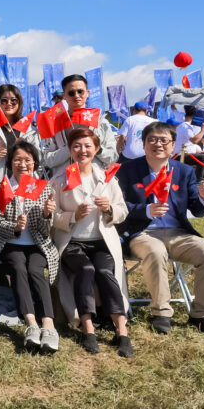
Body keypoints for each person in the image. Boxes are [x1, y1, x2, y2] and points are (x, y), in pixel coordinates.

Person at [117, 122, 204, 338]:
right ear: (143, 143)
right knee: (156, 251)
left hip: (179, 232)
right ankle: (161, 313)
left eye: (163, 140)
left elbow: (197, 210)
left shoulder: (184, 171)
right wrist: (146, 210)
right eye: (152, 139)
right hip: (143, 232)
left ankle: (201, 314)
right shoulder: (128, 170)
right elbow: (119, 208)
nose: (157, 144)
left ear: (172, 144)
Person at [50, 128, 132, 357]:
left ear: (96, 149)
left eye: (87, 146)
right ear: (70, 150)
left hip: (101, 241)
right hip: (72, 242)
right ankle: (88, 327)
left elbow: (122, 211)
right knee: (85, 270)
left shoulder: (107, 178)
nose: (82, 151)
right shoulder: (59, 180)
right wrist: (73, 216)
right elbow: (51, 217)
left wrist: (109, 210)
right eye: (77, 146)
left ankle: (121, 330)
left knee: (106, 272)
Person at [0, 141, 60, 352]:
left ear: (34, 163)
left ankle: (49, 324)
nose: (23, 164)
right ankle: (31, 323)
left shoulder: (43, 187)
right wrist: (15, 227)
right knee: (18, 267)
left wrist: (46, 214)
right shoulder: (3, 187)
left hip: (37, 244)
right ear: (10, 163)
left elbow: (45, 231)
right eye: (17, 160)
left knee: (35, 269)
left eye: (28, 160)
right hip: (9, 243)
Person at [41, 74, 118, 178]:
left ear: (87, 93)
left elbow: (113, 156)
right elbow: (47, 160)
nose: (76, 96)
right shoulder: (54, 123)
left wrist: (96, 149)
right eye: (71, 93)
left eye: (80, 91)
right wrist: (72, 147)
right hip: (64, 182)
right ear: (64, 95)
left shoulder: (101, 122)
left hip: (95, 181)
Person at [0, 84, 39, 204]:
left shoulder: (27, 127)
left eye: (14, 100)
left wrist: (27, 148)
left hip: (24, 187)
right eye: (4, 100)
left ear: (19, 102)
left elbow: (38, 159)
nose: (9, 104)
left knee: (24, 222)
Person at [176, 105, 204, 181]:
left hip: (188, 153)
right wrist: (203, 130)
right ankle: (197, 180)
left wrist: (200, 151)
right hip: (181, 155)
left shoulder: (187, 126)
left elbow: (190, 144)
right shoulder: (185, 126)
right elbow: (194, 140)